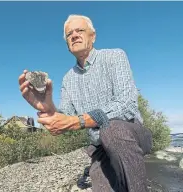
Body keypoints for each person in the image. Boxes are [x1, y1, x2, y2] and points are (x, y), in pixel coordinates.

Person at [18, 14, 153, 192]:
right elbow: (66, 117)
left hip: (133, 133)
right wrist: (48, 109)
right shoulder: (68, 79)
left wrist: (79, 121)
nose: (74, 35)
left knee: (111, 129)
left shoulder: (115, 56)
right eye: (69, 34)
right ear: (67, 44)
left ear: (93, 36)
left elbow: (126, 104)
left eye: (80, 30)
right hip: (100, 148)